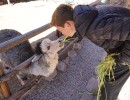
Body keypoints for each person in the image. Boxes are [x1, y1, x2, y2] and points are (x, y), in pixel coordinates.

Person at [50, 4, 130, 100]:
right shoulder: (87, 17)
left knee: (111, 81)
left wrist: (123, 59)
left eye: (61, 30)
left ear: (68, 24)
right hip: (120, 47)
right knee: (107, 75)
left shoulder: (95, 29)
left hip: (125, 53)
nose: (62, 34)